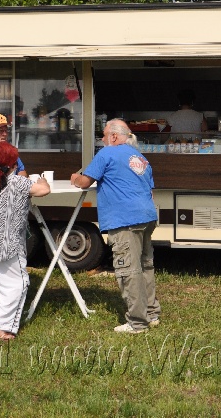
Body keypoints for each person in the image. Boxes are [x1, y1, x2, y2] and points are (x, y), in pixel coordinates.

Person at [71, 119, 160, 334]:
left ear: (113, 136)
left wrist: (75, 177)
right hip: (147, 215)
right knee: (145, 265)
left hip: (124, 219)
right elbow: (150, 190)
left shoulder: (106, 154)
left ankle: (137, 323)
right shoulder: (140, 157)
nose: (102, 139)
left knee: (128, 269)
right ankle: (151, 313)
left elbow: (85, 182)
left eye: (103, 134)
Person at [0, 141, 50, 340]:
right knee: (18, 284)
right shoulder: (19, 183)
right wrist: (43, 179)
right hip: (5, 245)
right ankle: (0, 324)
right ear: (15, 163)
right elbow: (43, 190)